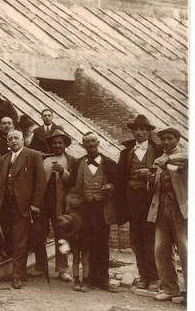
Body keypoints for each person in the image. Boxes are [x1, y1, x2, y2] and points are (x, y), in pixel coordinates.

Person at [69, 132, 124, 292]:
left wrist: (111, 187)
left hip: (102, 209)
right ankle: (89, 279)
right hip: (84, 209)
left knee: (102, 242)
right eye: (87, 142)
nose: (91, 144)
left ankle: (104, 279)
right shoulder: (78, 164)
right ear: (83, 145)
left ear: (98, 142)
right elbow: (72, 188)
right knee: (86, 243)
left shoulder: (109, 163)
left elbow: (118, 185)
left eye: (93, 141)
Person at [0, 130, 45, 289]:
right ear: (7, 142)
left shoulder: (33, 155)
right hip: (5, 206)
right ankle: (18, 270)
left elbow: (40, 182)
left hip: (24, 206)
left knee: (20, 241)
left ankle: (17, 275)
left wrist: (35, 203)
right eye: (10, 139)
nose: (13, 141)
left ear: (23, 140)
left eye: (16, 138)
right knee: (9, 239)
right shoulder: (3, 159)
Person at [117, 115, 161, 290]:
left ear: (148, 132)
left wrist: (150, 175)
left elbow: (165, 174)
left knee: (150, 238)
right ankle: (143, 275)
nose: (139, 132)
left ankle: (154, 276)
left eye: (143, 129)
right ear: (133, 131)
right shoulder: (126, 152)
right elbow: (120, 177)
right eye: (136, 129)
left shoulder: (157, 150)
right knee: (136, 239)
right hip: (132, 202)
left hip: (152, 202)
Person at [147, 127, 187, 302]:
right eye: (163, 139)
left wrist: (169, 160)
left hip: (181, 209)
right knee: (161, 249)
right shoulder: (158, 160)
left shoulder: (184, 156)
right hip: (161, 208)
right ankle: (171, 289)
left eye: (169, 138)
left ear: (177, 139)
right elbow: (154, 188)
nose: (166, 142)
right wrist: (150, 182)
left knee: (185, 249)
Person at [35, 128, 76, 281]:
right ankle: (40, 266)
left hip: (61, 204)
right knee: (39, 235)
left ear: (65, 145)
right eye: (54, 143)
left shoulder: (71, 161)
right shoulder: (44, 160)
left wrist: (63, 172)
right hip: (44, 204)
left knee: (62, 237)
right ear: (50, 145)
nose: (57, 146)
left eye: (60, 143)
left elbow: (74, 183)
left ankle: (63, 269)